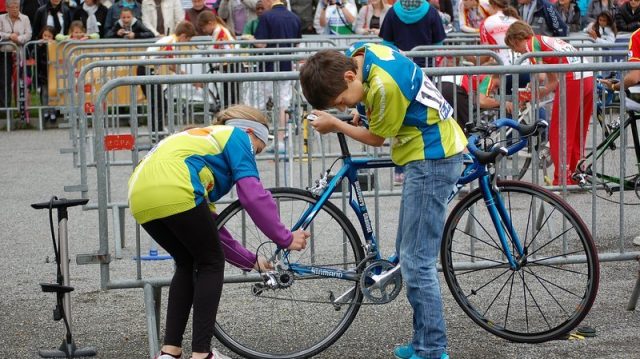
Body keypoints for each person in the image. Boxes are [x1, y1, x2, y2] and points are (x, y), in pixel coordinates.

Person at [299, 42, 466, 359]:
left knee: (416, 262)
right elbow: (371, 104)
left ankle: (432, 349)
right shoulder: (363, 52)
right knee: (409, 256)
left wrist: (337, 123)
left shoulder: (384, 86)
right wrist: (360, 110)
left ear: (350, 76)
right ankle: (422, 343)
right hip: (427, 153)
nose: (342, 106)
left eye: (341, 101)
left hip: (432, 157)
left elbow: (377, 138)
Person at [128, 104, 310, 359]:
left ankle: (170, 352)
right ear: (249, 131)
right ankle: (202, 354)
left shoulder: (204, 145)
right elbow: (253, 195)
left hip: (139, 195)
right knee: (211, 263)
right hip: (176, 186)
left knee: (187, 262)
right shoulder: (236, 136)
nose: (252, 156)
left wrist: (251, 261)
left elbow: (214, 231)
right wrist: (286, 237)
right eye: (257, 149)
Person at [505, 20, 594, 185]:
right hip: (587, 76)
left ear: (516, 40)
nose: (517, 53)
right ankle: (576, 174)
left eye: (513, 48)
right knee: (577, 131)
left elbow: (540, 76)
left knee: (559, 131)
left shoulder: (531, 45)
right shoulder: (543, 40)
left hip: (572, 79)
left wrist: (531, 87)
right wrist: (537, 93)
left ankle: (561, 179)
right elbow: (552, 82)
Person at [379, 0, 447, 184]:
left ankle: (400, 169)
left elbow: (386, 43)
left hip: (399, 71)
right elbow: (439, 44)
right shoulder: (431, 13)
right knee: (425, 118)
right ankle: (424, 163)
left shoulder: (393, 12)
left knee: (400, 119)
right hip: (426, 73)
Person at [253, 0, 301, 153]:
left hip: (267, 67)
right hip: (286, 67)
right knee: (283, 104)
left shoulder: (266, 17)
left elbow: (261, 44)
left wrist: (252, 41)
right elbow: (297, 44)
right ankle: (280, 140)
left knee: (258, 103)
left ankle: (256, 140)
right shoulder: (294, 17)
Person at [135, 20, 195, 134]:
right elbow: (172, 66)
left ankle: (157, 129)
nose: (187, 43)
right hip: (146, 70)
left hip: (148, 69)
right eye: (188, 40)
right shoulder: (171, 42)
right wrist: (188, 77)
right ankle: (156, 132)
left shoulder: (171, 39)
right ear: (183, 36)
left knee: (160, 102)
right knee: (159, 102)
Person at [0, 0, 31, 111]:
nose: (14, 9)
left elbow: (28, 34)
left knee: (21, 81)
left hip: (19, 54)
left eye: (16, 7)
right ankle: (5, 108)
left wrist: (18, 38)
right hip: (4, 54)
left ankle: (21, 108)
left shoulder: (25, 18)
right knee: (4, 81)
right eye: (12, 7)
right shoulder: (1, 18)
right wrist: (9, 36)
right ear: (7, 8)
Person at [35, 25, 56, 122]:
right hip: (43, 74)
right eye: (45, 36)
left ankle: (53, 113)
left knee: (53, 94)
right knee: (44, 94)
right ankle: (45, 112)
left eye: (49, 36)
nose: (46, 38)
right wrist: (39, 47)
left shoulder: (55, 46)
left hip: (53, 74)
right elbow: (35, 57)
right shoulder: (39, 46)